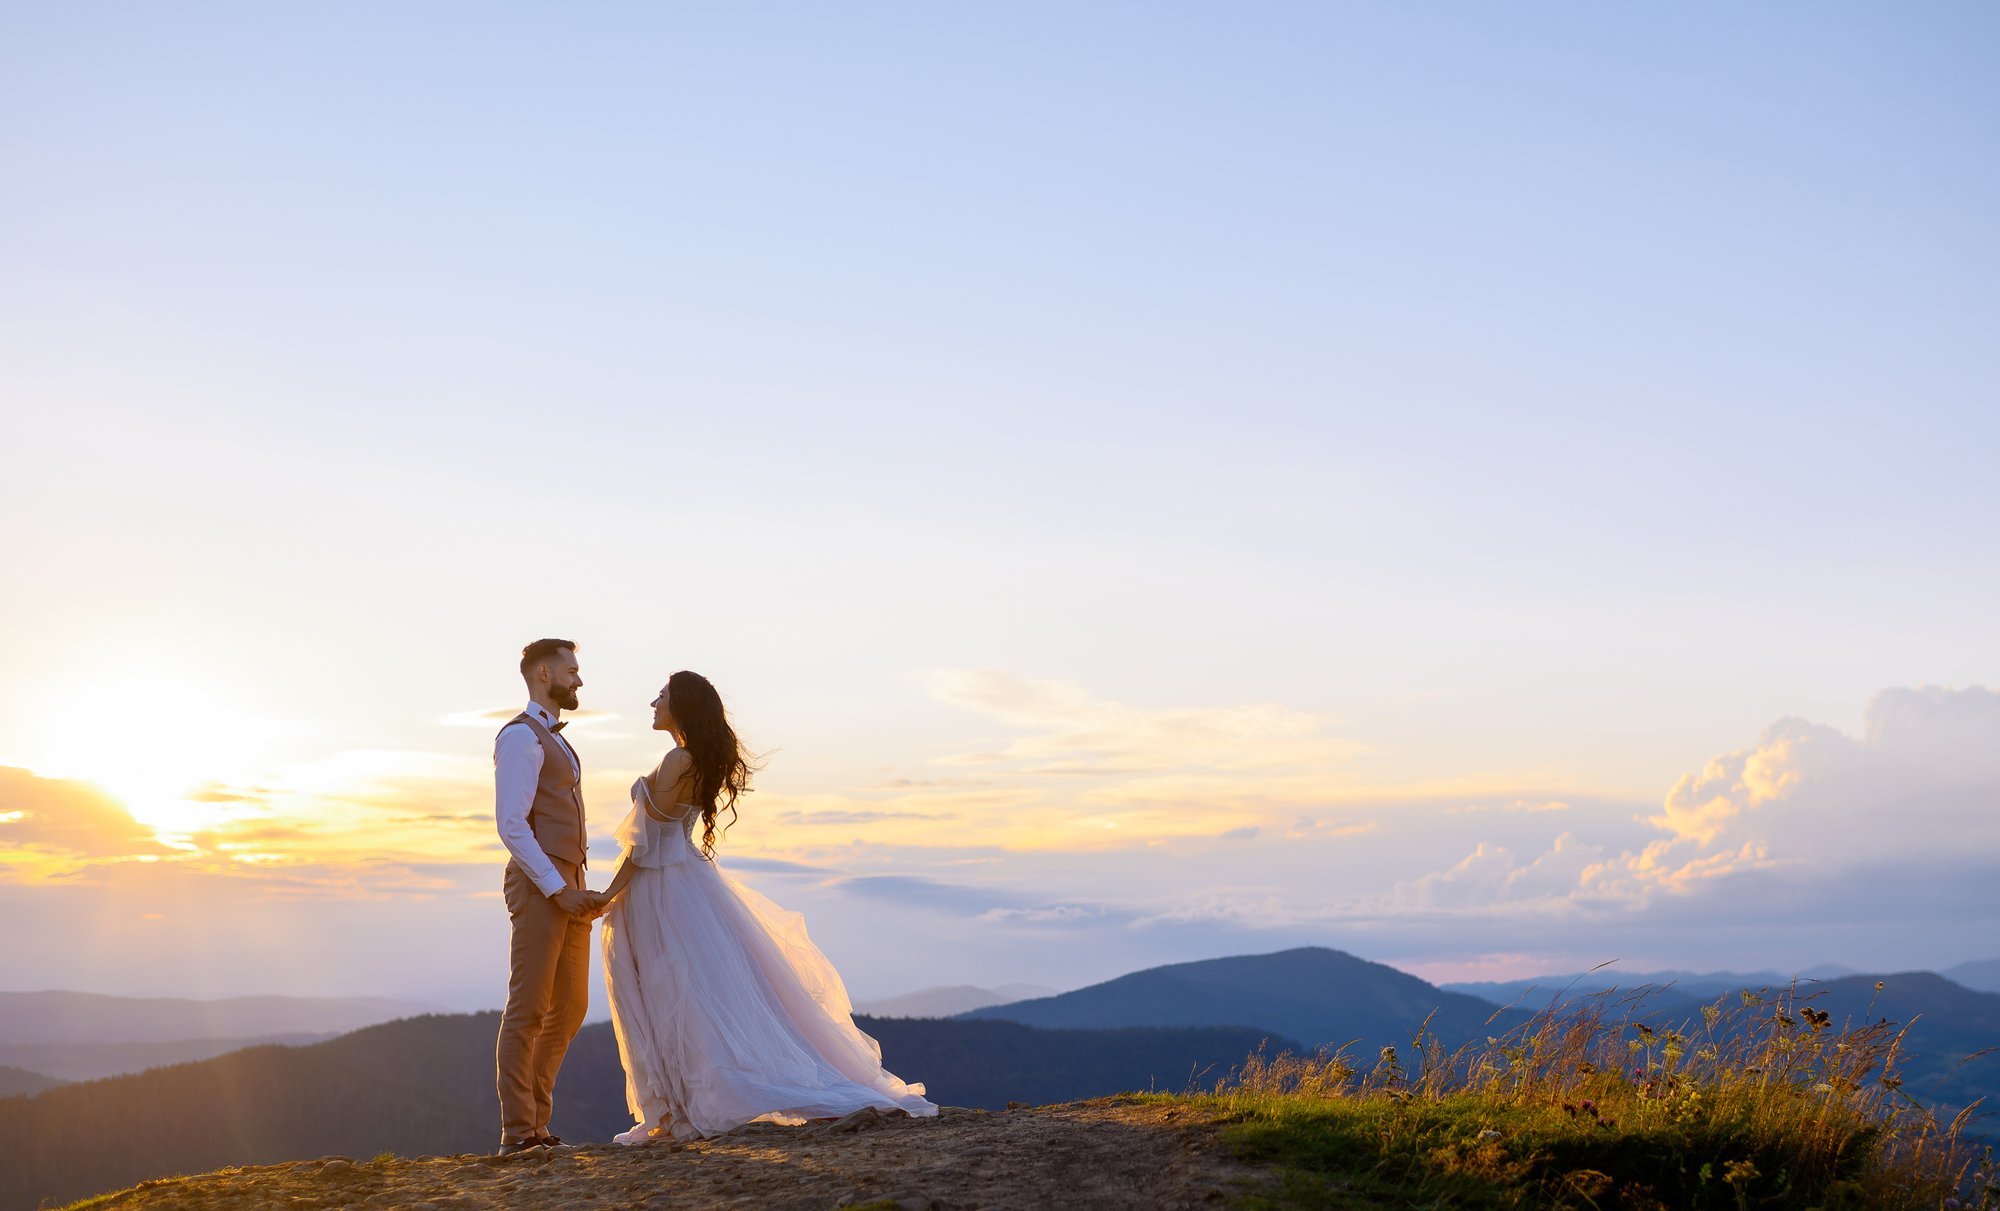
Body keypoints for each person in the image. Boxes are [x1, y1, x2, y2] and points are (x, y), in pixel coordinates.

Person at [592, 669, 937, 1142]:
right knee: (691, 992)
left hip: (661, 889)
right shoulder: (694, 759)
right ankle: (681, 1104)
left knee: (672, 992)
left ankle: (684, 1105)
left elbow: (647, 842)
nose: (653, 702)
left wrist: (609, 893)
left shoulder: (677, 759)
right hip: (686, 884)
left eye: (663, 696)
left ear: (683, 707)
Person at [491, 637, 603, 1154]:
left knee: (572, 1006)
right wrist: (557, 889)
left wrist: (576, 885)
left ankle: (538, 1122)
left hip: (570, 885)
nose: (579, 679)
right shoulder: (520, 736)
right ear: (542, 673)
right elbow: (512, 826)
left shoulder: (555, 738)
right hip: (542, 889)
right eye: (572, 670)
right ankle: (520, 1134)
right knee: (529, 1008)